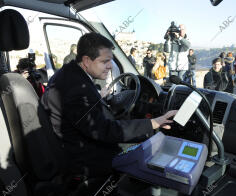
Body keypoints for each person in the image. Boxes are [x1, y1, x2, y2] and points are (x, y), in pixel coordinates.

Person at [41, 33, 177, 182]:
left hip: (74, 144)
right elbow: (105, 130)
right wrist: (154, 123)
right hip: (84, 160)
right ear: (86, 60)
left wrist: (98, 98)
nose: (110, 66)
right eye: (105, 61)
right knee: (151, 155)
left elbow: (81, 112)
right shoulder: (78, 88)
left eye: (111, 60)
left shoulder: (69, 74)